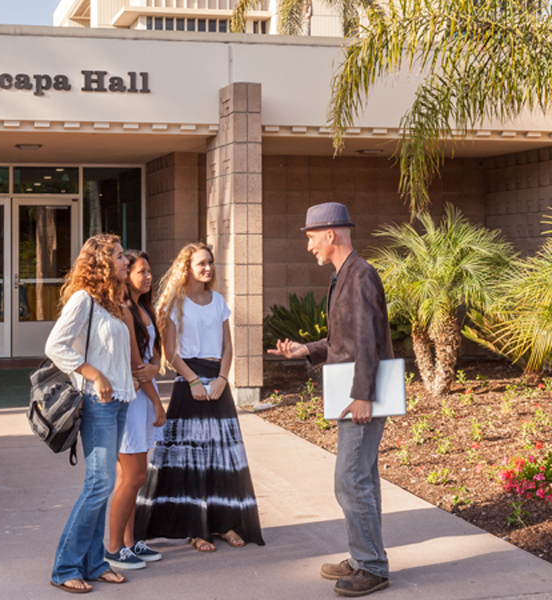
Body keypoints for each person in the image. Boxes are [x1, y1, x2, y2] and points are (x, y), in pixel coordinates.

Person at [268, 202, 393, 597]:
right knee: (362, 480)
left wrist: (362, 397)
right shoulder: (345, 276)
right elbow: (345, 341)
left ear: (331, 234)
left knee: (350, 481)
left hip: (358, 398)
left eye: (310, 238)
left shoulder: (361, 276)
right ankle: (364, 558)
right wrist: (305, 350)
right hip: (352, 393)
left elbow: (370, 343)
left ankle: (371, 566)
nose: (309, 247)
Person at [134, 242, 265, 552]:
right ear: (187, 268)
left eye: (210, 263)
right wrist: (193, 381)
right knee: (192, 460)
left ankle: (226, 524)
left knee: (222, 457)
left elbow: (228, 347)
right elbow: (169, 352)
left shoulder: (219, 301)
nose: (207, 268)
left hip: (218, 385)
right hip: (188, 383)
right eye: (201, 263)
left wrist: (222, 379)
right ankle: (197, 528)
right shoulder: (175, 303)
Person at [45, 233, 136, 594]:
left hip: (119, 402)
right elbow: (55, 345)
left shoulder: (112, 302)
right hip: (98, 403)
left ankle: (95, 563)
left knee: (105, 484)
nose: (126, 261)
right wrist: (93, 373)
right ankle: (64, 566)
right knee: (98, 485)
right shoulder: (83, 300)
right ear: (101, 263)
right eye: (118, 256)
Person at [105, 250, 167, 570]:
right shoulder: (123, 310)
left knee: (131, 478)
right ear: (126, 275)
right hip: (131, 400)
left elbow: (152, 358)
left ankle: (129, 542)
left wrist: (156, 368)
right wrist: (157, 401)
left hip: (144, 395)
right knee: (133, 476)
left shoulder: (144, 308)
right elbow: (135, 366)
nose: (147, 276)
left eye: (148, 270)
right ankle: (113, 547)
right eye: (140, 271)